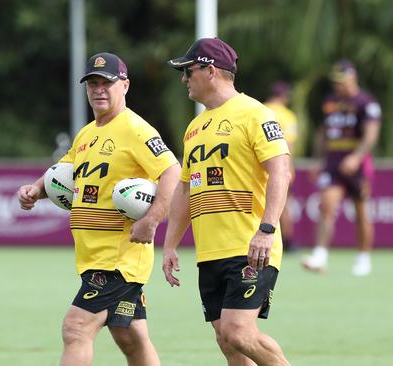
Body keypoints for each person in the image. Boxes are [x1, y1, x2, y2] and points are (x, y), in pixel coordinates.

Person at [17, 52, 179, 366]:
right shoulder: (87, 133)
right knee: (131, 338)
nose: (99, 89)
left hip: (118, 261)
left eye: (107, 82)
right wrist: (35, 190)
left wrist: (152, 220)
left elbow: (172, 171)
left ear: (125, 86)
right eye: (93, 83)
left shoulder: (135, 129)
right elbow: (62, 172)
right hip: (94, 258)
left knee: (76, 327)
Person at [163, 38, 291, 366]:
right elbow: (185, 189)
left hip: (248, 245)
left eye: (188, 71)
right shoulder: (194, 128)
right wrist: (170, 244)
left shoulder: (255, 114)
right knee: (228, 342)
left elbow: (281, 173)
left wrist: (266, 229)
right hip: (210, 252)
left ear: (210, 70)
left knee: (238, 332)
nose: (183, 79)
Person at [302, 59, 381, 277]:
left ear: (353, 78)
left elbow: (371, 134)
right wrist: (318, 160)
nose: (338, 86)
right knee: (326, 205)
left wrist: (356, 157)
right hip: (333, 162)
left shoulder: (366, 103)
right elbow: (322, 132)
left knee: (361, 211)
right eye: (335, 82)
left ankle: (363, 257)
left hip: (357, 164)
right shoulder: (330, 102)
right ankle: (319, 255)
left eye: (342, 81)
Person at [264, 82, 298, 253]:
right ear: (284, 96)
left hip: (259, 168)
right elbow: (288, 144)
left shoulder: (259, 110)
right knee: (281, 204)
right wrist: (289, 168)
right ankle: (288, 241)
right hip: (279, 166)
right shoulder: (287, 115)